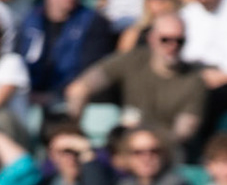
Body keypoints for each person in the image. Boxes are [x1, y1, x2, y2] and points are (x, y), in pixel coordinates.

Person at [63, 11, 206, 149]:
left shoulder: (193, 80)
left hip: (164, 151)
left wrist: (146, 141)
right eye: (165, 40)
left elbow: (183, 132)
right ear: (151, 39)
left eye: (179, 41)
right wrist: (74, 131)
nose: (173, 46)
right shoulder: (133, 60)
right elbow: (79, 88)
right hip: (125, 145)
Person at [17, 0, 113, 111]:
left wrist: (53, 96)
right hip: (29, 97)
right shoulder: (28, 20)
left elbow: (89, 72)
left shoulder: (93, 22)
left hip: (70, 101)